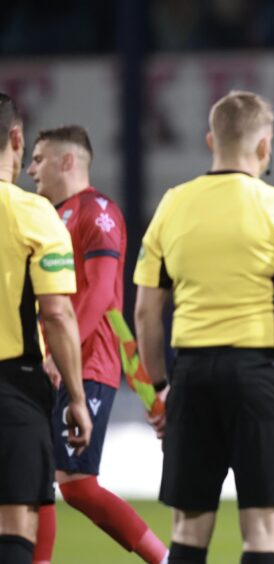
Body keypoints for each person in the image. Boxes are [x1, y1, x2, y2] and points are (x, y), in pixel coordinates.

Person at [134, 90, 274, 564]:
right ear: (265, 146)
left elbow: (145, 314)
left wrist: (159, 389)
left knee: (188, 529)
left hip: (191, 375)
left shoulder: (172, 205)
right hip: (259, 375)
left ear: (211, 140)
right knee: (263, 530)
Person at [26, 125, 168, 564]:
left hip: (85, 363)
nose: (30, 169)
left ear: (67, 161)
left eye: (39, 159)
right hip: (50, 362)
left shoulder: (97, 211)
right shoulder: (47, 217)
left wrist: (60, 352)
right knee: (35, 481)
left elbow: (104, 292)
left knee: (77, 486)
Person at [0, 93, 92, 563]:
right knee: (15, 528)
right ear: (16, 138)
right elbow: (56, 313)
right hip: (12, 388)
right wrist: (76, 397)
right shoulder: (34, 214)